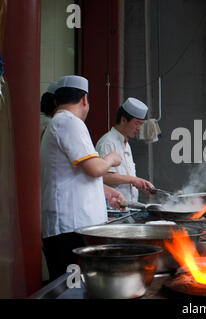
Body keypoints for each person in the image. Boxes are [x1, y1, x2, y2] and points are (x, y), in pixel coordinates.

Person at [41, 75, 125, 281]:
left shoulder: (59, 123)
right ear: (84, 99)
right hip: (70, 229)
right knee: (72, 291)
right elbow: (94, 168)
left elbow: (71, 175)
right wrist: (112, 158)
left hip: (70, 227)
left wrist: (106, 191)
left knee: (72, 288)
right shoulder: (69, 122)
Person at [96, 97, 155, 202]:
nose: (139, 128)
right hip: (113, 209)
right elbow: (103, 177)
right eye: (137, 123)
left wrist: (140, 183)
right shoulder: (108, 142)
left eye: (141, 124)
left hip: (128, 207)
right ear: (123, 120)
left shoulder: (126, 144)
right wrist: (133, 180)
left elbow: (126, 177)